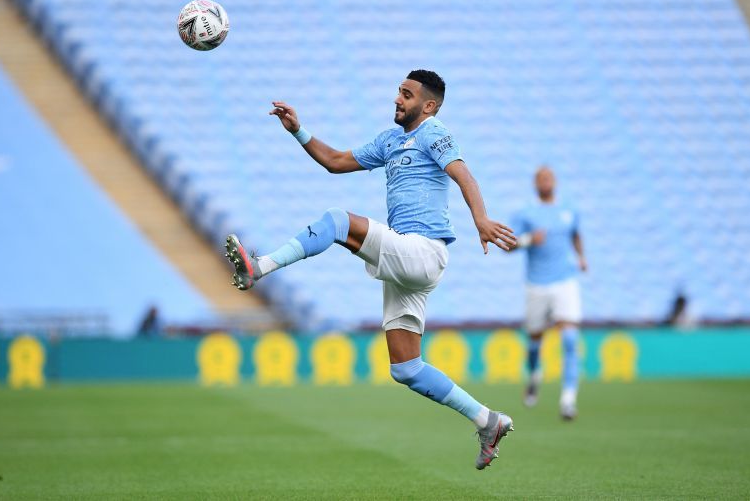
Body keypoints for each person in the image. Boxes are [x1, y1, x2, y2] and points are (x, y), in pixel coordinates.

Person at [224, 70, 517, 470]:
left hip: (423, 251)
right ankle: (488, 420)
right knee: (406, 368)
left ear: (428, 105)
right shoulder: (390, 140)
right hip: (406, 258)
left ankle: (259, 267)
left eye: (408, 94)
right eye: (398, 91)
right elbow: (335, 161)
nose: (398, 99)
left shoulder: (434, 132)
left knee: (338, 221)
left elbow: (463, 173)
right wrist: (298, 130)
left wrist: (481, 220)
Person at [510, 167, 587, 420]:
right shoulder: (525, 212)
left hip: (565, 280)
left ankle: (568, 400)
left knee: (569, 339)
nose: (545, 182)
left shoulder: (569, 210)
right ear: (535, 183)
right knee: (534, 342)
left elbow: (575, 235)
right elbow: (509, 245)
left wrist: (581, 258)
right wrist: (530, 239)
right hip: (537, 284)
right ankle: (534, 376)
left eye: (549, 178)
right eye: (541, 179)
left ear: (555, 182)